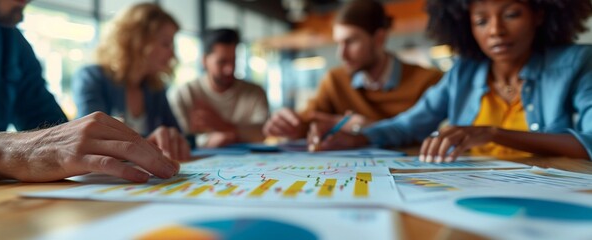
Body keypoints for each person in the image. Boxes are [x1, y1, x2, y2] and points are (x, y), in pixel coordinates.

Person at [311, 0, 592, 163]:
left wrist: (493, 133)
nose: (496, 31)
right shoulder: (464, 72)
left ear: (539, 14)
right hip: (470, 191)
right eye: (481, 21)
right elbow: (409, 124)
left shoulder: (575, 63)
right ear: (466, 26)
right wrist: (356, 138)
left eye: (511, 14)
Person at [0, 0, 183, 183]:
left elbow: (55, 132)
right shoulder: (94, 75)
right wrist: (3, 150)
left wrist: (125, 147)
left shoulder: (12, 43)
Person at [262, 0, 442, 142]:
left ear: (379, 38)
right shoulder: (335, 80)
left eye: (351, 42)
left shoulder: (429, 81)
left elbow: (440, 134)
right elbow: (308, 120)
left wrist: (365, 128)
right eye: (339, 42)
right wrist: (289, 125)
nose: (341, 54)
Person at [73, 3, 189, 159]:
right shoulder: (92, 77)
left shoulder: (156, 88)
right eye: (166, 44)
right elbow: (93, 139)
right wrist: (152, 142)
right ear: (138, 41)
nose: (173, 55)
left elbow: (180, 138)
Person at [169, 28, 269, 148]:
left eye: (233, 60)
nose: (230, 69)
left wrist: (222, 125)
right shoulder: (184, 94)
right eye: (222, 62)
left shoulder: (256, 92)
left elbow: (264, 132)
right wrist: (210, 141)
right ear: (204, 60)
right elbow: (178, 141)